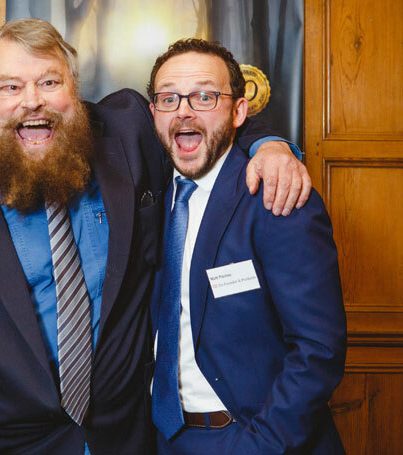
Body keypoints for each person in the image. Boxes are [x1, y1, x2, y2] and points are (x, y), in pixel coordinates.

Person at [0, 19, 310, 454]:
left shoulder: (127, 132)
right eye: (10, 87)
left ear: (76, 91)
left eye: (49, 83)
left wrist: (272, 146)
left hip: (128, 440)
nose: (33, 101)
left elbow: (205, 119)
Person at [147, 39, 346, 454]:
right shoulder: (148, 194)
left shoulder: (277, 193)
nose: (183, 110)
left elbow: (317, 349)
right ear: (154, 113)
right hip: (165, 438)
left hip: (255, 439)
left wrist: (258, 445)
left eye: (204, 96)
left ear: (238, 111)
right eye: (168, 98)